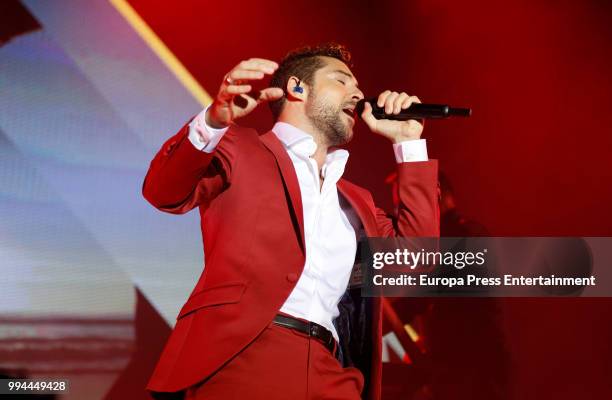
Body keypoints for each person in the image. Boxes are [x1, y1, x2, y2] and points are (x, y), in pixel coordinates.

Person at [142, 43, 439, 400]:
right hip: (241, 357)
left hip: (332, 371)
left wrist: (409, 144)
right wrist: (213, 120)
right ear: (298, 88)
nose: (359, 94)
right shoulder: (241, 147)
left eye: (357, 86)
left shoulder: (355, 200)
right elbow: (163, 192)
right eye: (342, 81)